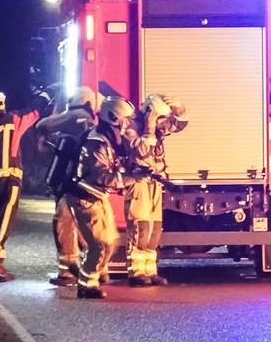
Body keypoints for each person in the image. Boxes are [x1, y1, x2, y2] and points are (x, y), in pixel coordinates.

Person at [0, 87, 51, 282]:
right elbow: (35, 111)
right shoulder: (11, 120)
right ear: (0, 103)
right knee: (3, 224)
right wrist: (47, 93)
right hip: (9, 179)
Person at [67, 96, 134, 299]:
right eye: (125, 119)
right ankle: (86, 285)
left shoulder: (104, 139)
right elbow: (102, 176)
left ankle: (91, 274)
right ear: (113, 117)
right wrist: (132, 178)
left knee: (110, 242)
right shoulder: (96, 143)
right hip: (85, 198)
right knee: (99, 245)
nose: (127, 124)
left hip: (96, 198)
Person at [123, 93, 188, 286]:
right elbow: (142, 151)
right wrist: (150, 127)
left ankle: (150, 271)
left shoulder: (158, 132)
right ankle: (136, 272)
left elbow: (180, 124)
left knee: (154, 231)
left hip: (154, 185)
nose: (164, 126)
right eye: (162, 119)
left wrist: (178, 108)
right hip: (139, 184)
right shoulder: (132, 130)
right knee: (140, 228)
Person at [37, 86, 98, 286]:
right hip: (83, 182)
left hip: (70, 182)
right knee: (85, 224)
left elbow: (44, 125)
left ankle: (68, 271)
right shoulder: (88, 120)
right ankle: (92, 268)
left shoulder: (76, 116)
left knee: (64, 222)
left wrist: (57, 103)